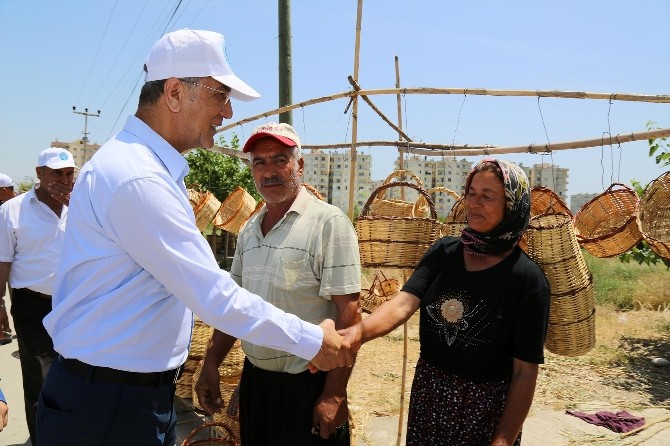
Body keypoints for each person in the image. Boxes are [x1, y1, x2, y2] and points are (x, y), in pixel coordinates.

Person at [37, 29, 351, 446]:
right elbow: (216, 295)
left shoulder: (141, 167)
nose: (224, 114)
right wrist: (314, 340)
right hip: (110, 403)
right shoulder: (138, 177)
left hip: (123, 394)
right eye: (220, 96)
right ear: (174, 93)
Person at [340, 158, 550, 446]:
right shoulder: (444, 252)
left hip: (485, 409)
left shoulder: (527, 279)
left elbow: (525, 373)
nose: (475, 203)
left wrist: (502, 440)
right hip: (431, 396)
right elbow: (403, 303)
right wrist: (357, 333)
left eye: (488, 196)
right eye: (471, 193)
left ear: (512, 205)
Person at [195, 123, 361, 445]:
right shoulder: (249, 230)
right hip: (257, 382)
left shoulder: (329, 223)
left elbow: (349, 314)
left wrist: (334, 394)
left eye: (279, 159)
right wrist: (211, 362)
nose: (269, 171)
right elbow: (235, 304)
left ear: (299, 165)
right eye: (260, 162)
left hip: (307, 385)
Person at [0, 148, 76, 446]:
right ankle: (43, 438)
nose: (64, 180)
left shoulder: (82, 208)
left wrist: (79, 208)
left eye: (69, 173)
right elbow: (3, 262)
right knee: (41, 378)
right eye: (56, 173)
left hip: (75, 305)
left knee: (75, 376)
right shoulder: (12, 211)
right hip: (32, 306)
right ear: (39, 173)